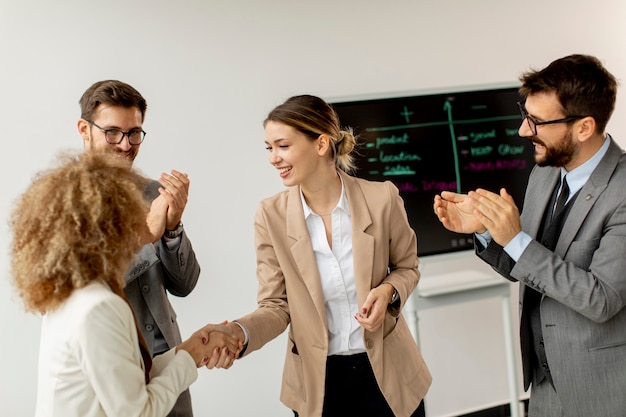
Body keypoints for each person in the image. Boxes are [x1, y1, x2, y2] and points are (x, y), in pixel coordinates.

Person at [210, 95, 432, 417]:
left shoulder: (381, 198)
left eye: (283, 146)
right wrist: (238, 333)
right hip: (318, 384)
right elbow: (275, 305)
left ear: (321, 144)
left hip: (388, 376)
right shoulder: (270, 215)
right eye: (268, 148)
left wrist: (387, 292)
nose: (273, 158)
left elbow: (407, 267)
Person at [433, 54, 626, 417]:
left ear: (583, 127)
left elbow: (601, 299)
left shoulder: (623, 191)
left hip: (604, 392)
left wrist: (516, 238)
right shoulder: (545, 173)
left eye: (536, 121)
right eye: (526, 115)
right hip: (543, 388)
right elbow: (528, 270)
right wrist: (490, 233)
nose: (524, 130)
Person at [9, 151, 240, 417]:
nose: (145, 216)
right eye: (133, 212)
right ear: (112, 227)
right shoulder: (99, 307)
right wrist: (188, 358)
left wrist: (190, 349)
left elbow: (128, 378)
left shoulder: (74, 294)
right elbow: (138, 413)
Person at [77, 80, 201, 417]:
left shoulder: (152, 192)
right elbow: (80, 288)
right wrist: (146, 235)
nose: (125, 145)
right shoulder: (63, 201)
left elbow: (185, 285)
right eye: (113, 132)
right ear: (84, 130)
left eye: (134, 133)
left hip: (170, 370)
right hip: (112, 373)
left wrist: (173, 227)